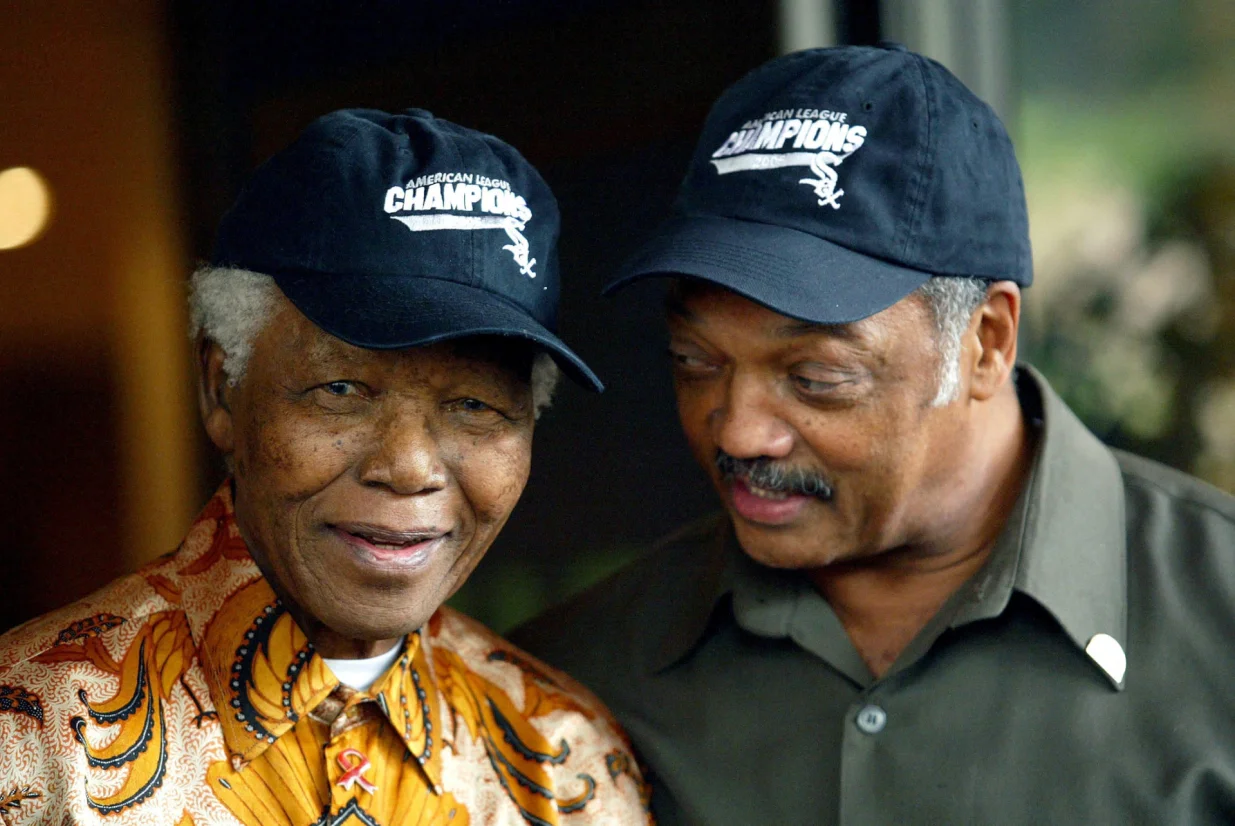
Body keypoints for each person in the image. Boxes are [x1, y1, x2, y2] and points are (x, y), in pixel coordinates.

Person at [511, 44, 1235, 825]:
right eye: (694, 362)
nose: (741, 431)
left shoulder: (1216, 621)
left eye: (816, 377)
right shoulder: (574, 683)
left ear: (985, 343)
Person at [0, 109, 651, 826]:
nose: (407, 468)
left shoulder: (563, 763)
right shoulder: (31, 740)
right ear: (221, 387)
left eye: (474, 405)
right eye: (340, 391)